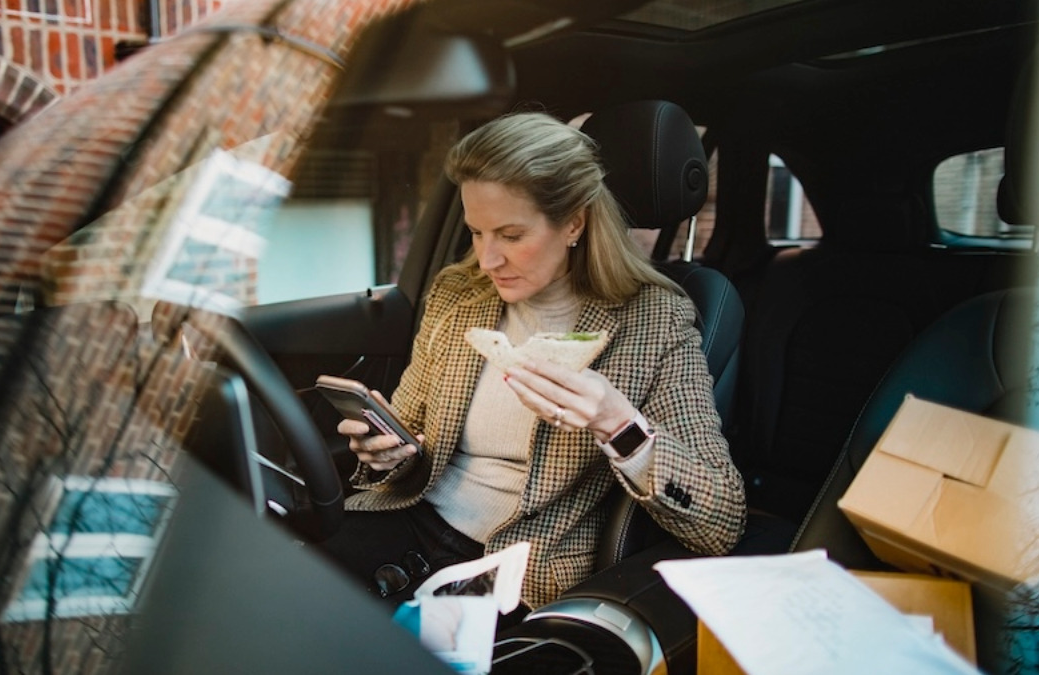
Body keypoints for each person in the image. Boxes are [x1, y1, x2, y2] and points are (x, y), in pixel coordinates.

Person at [319, 111, 746, 615]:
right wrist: (388, 451)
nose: (486, 260)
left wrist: (615, 422)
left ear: (573, 223)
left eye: (511, 235)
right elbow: (412, 431)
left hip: (521, 568)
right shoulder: (459, 294)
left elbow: (721, 517)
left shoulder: (654, 322)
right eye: (477, 233)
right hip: (408, 518)